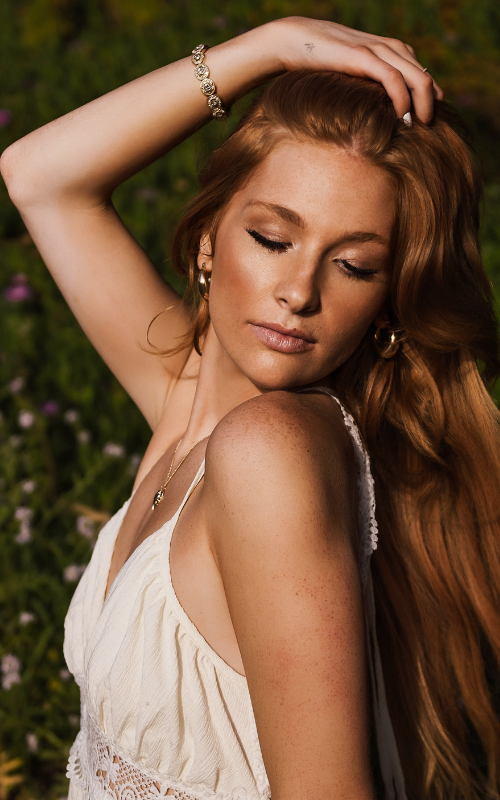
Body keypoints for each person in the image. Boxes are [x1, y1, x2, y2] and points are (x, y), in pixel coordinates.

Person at [1, 15, 499, 800]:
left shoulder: (269, 450)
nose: (300, 293)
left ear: (388, 303)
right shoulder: (184, 401)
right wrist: (267, 48)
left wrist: (265, 51)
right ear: (208, 242)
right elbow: (39, 175)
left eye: (355, 265)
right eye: (272, 239)